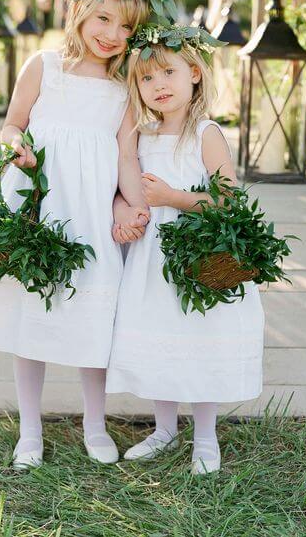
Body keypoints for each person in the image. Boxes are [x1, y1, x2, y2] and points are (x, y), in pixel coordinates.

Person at [0, 0, 178, 470]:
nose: (112, 33)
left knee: (93, 316)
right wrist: (18, 147)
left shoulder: (124, 88)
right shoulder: (44, 67)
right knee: (29, 313)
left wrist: (137, 205)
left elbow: (126, 156)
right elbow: (12, 124)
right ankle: (29, 431)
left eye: (126, 26)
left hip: (88, 216)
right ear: (79, 10)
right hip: (35, 205)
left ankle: (94, 423)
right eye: (103, 18)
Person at [107, 24, 265, 474]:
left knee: (200, 338)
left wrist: (176, 198)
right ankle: (163, 428)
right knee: (162, 337)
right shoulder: (142, 134)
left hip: (198, 256)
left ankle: (205, 436)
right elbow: (131, 190)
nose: (158, 86)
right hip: (154, 257)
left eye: (168, 74)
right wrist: (127, 212)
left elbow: (229, 198)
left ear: (194, 73)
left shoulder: (205, 133)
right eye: (146, 78)